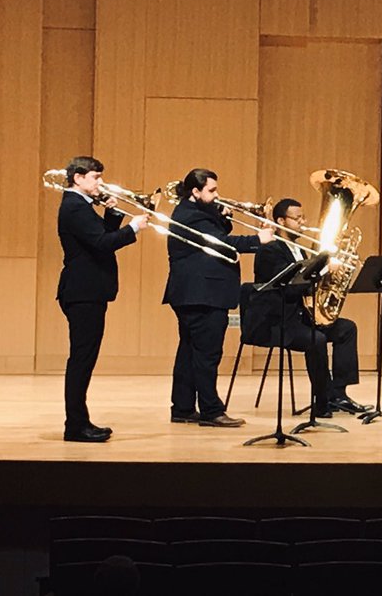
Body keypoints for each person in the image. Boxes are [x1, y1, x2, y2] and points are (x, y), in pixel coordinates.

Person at [163, 168, 271, 427]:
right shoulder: (191, 216)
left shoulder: (195, 212)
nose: (217, 195)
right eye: (211, 191)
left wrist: (222, 217)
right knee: (207, 355)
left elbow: (216, 235)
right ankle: (211, 411)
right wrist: (259, 239)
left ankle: (183, 407)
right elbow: (221, 244)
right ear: (195, 192)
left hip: (193, 294)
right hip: (202, 294)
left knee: (189, 352)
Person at [56, 156, 147, 443]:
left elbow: (99, 239)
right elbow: (102, 244)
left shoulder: (81, 206)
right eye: (96, 178)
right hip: (83, 292)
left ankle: (80, 422)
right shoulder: (73, 206)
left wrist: (112, 217)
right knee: (82, 360)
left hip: (88, 291)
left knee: (85, 358)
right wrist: (133, 228)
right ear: (79, 178)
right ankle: (75, 426)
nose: (100, 183)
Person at [252, 198, 367, 417]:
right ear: (280, 221)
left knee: (346, 329)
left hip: (301, 316)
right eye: (296, 219)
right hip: (279, 320)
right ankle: (322, 400)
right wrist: (322, 271)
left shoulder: (299, 249)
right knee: (317, 339)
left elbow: (306, 286)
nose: (302, 222)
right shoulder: (270, 250)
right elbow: (288, 287)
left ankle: (338, 394)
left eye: (303, 217)